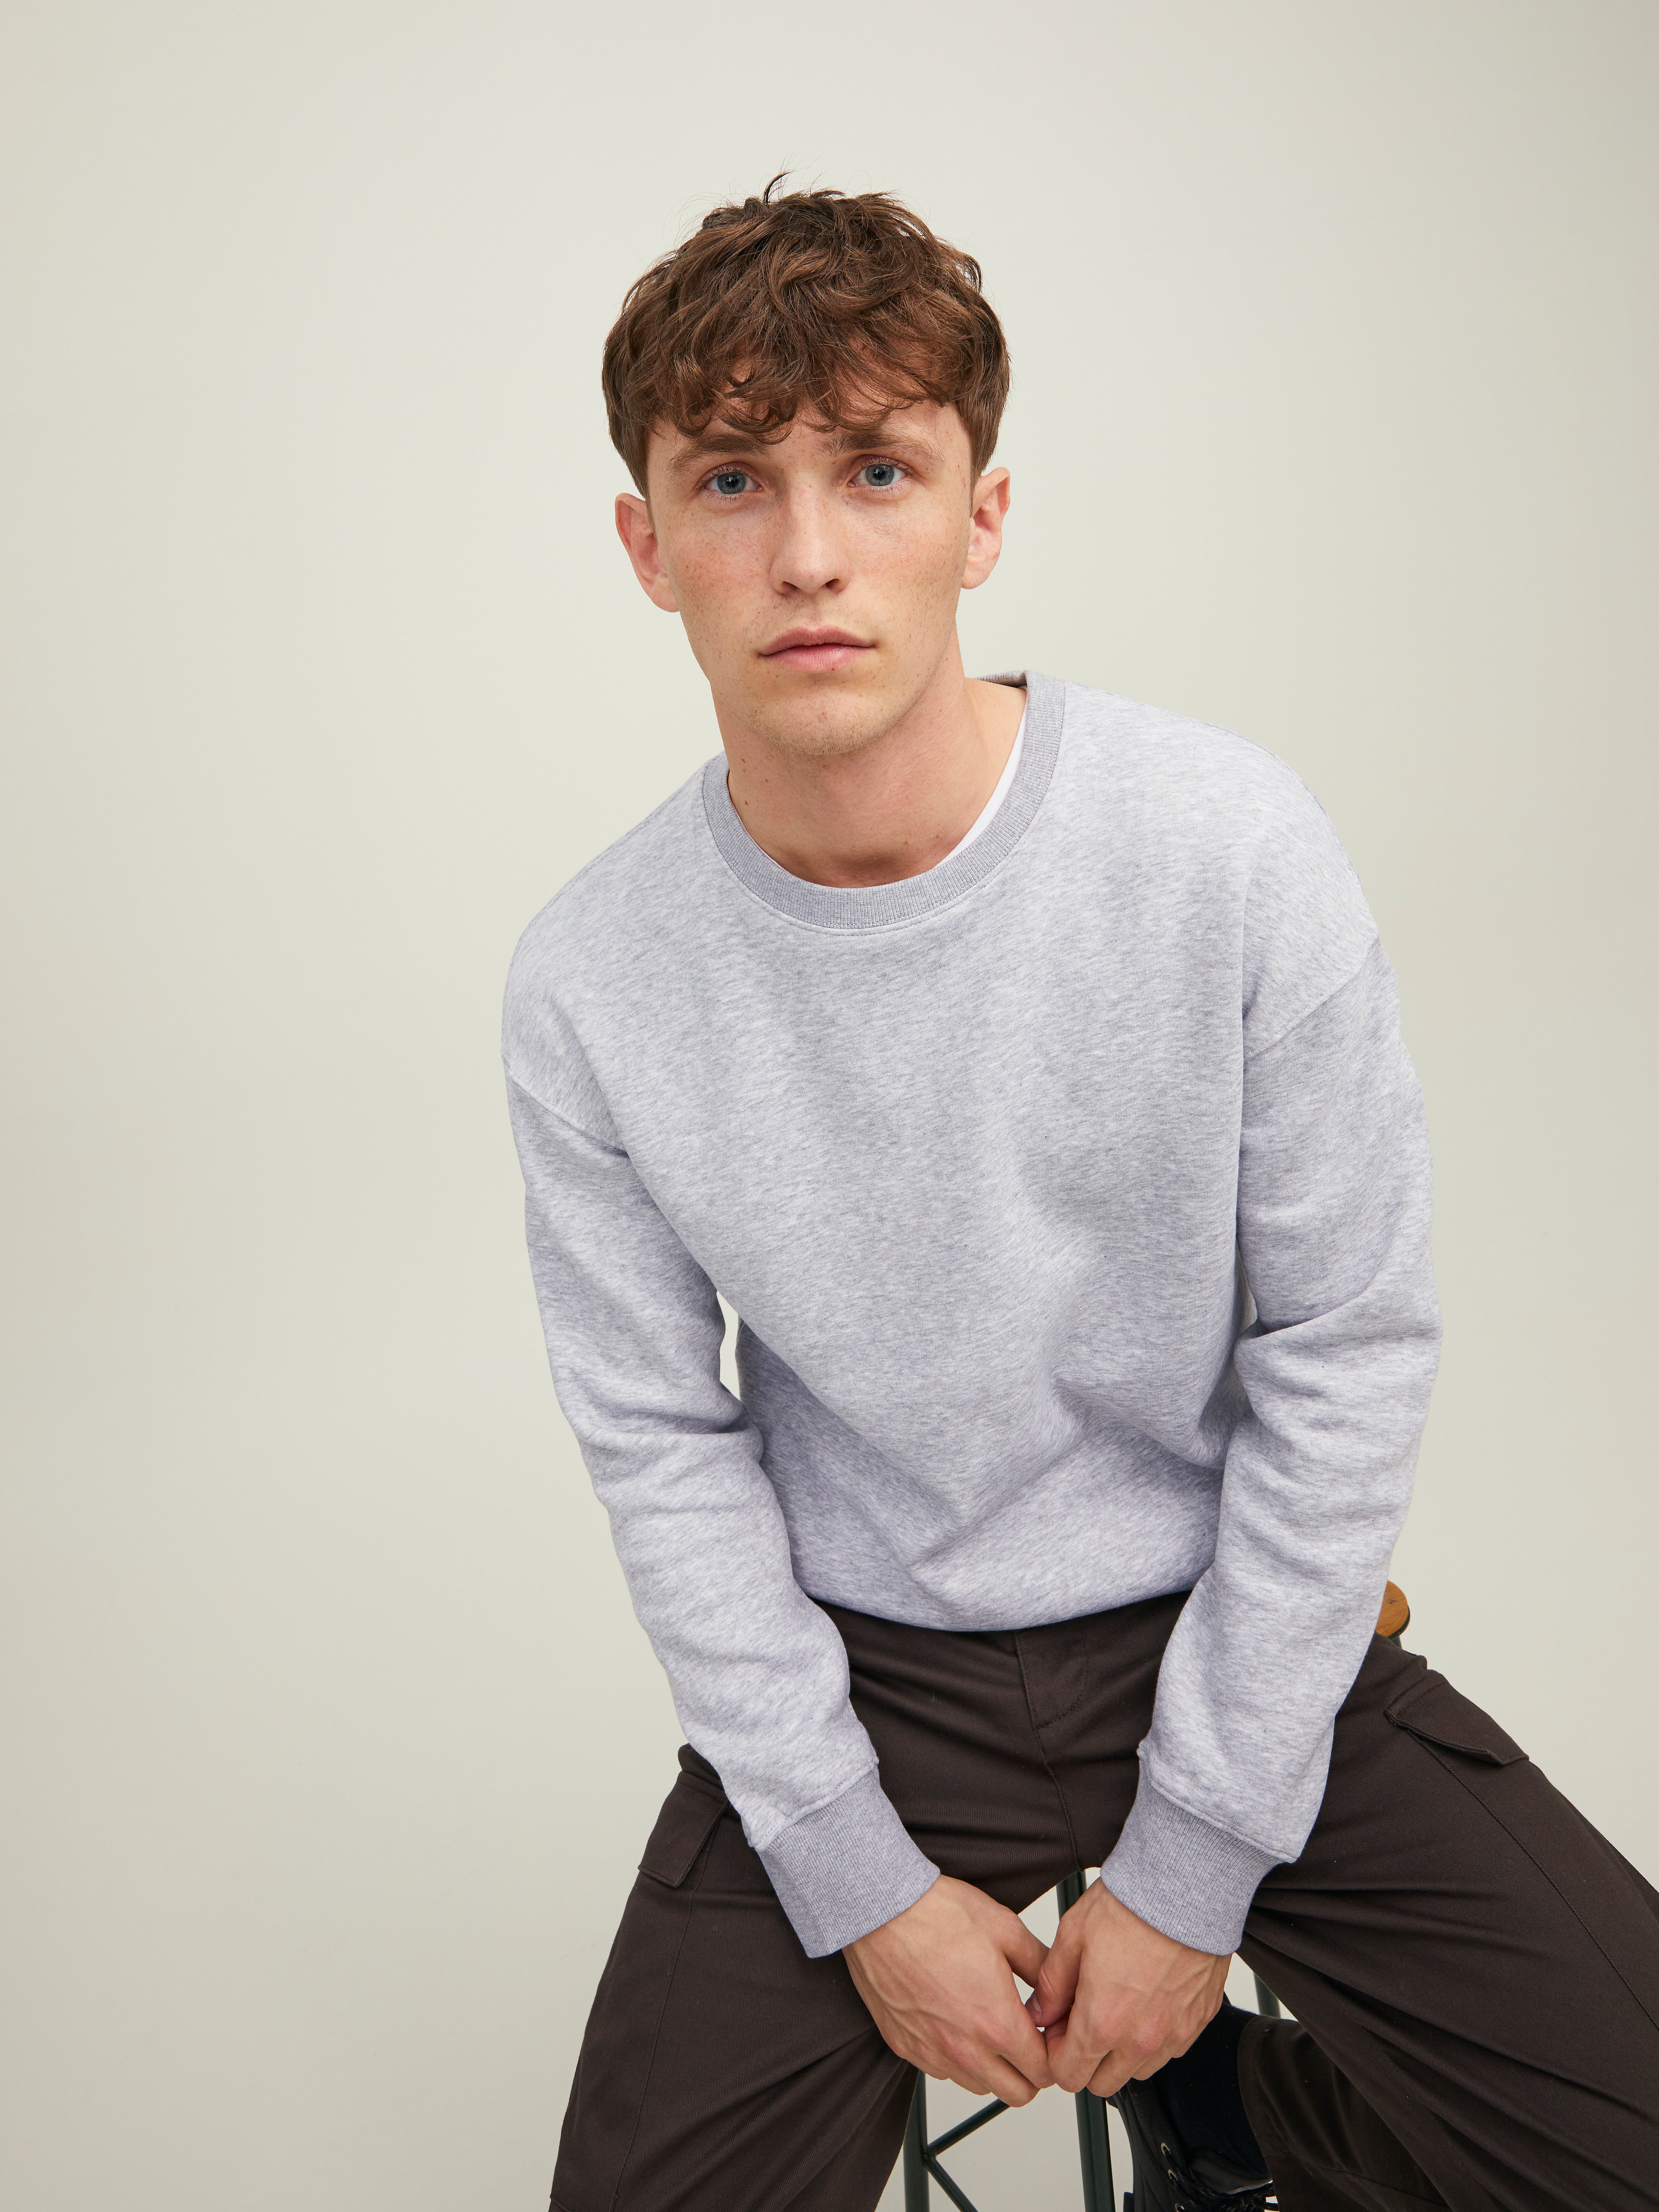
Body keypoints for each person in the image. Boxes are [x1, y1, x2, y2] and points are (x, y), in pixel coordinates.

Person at [502, 182, 1659, 2212]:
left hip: (1225, 1616)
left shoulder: (1224, 848)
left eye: (877, 471)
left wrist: (1195, 1861)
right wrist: (856, 1881)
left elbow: (1345, 1341)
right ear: (646, 545)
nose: (807, 554)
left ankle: (1251, 2114)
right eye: (732, 480)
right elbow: (661, 1447)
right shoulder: (592, 977)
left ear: (983, 517)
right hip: (868, 1664)